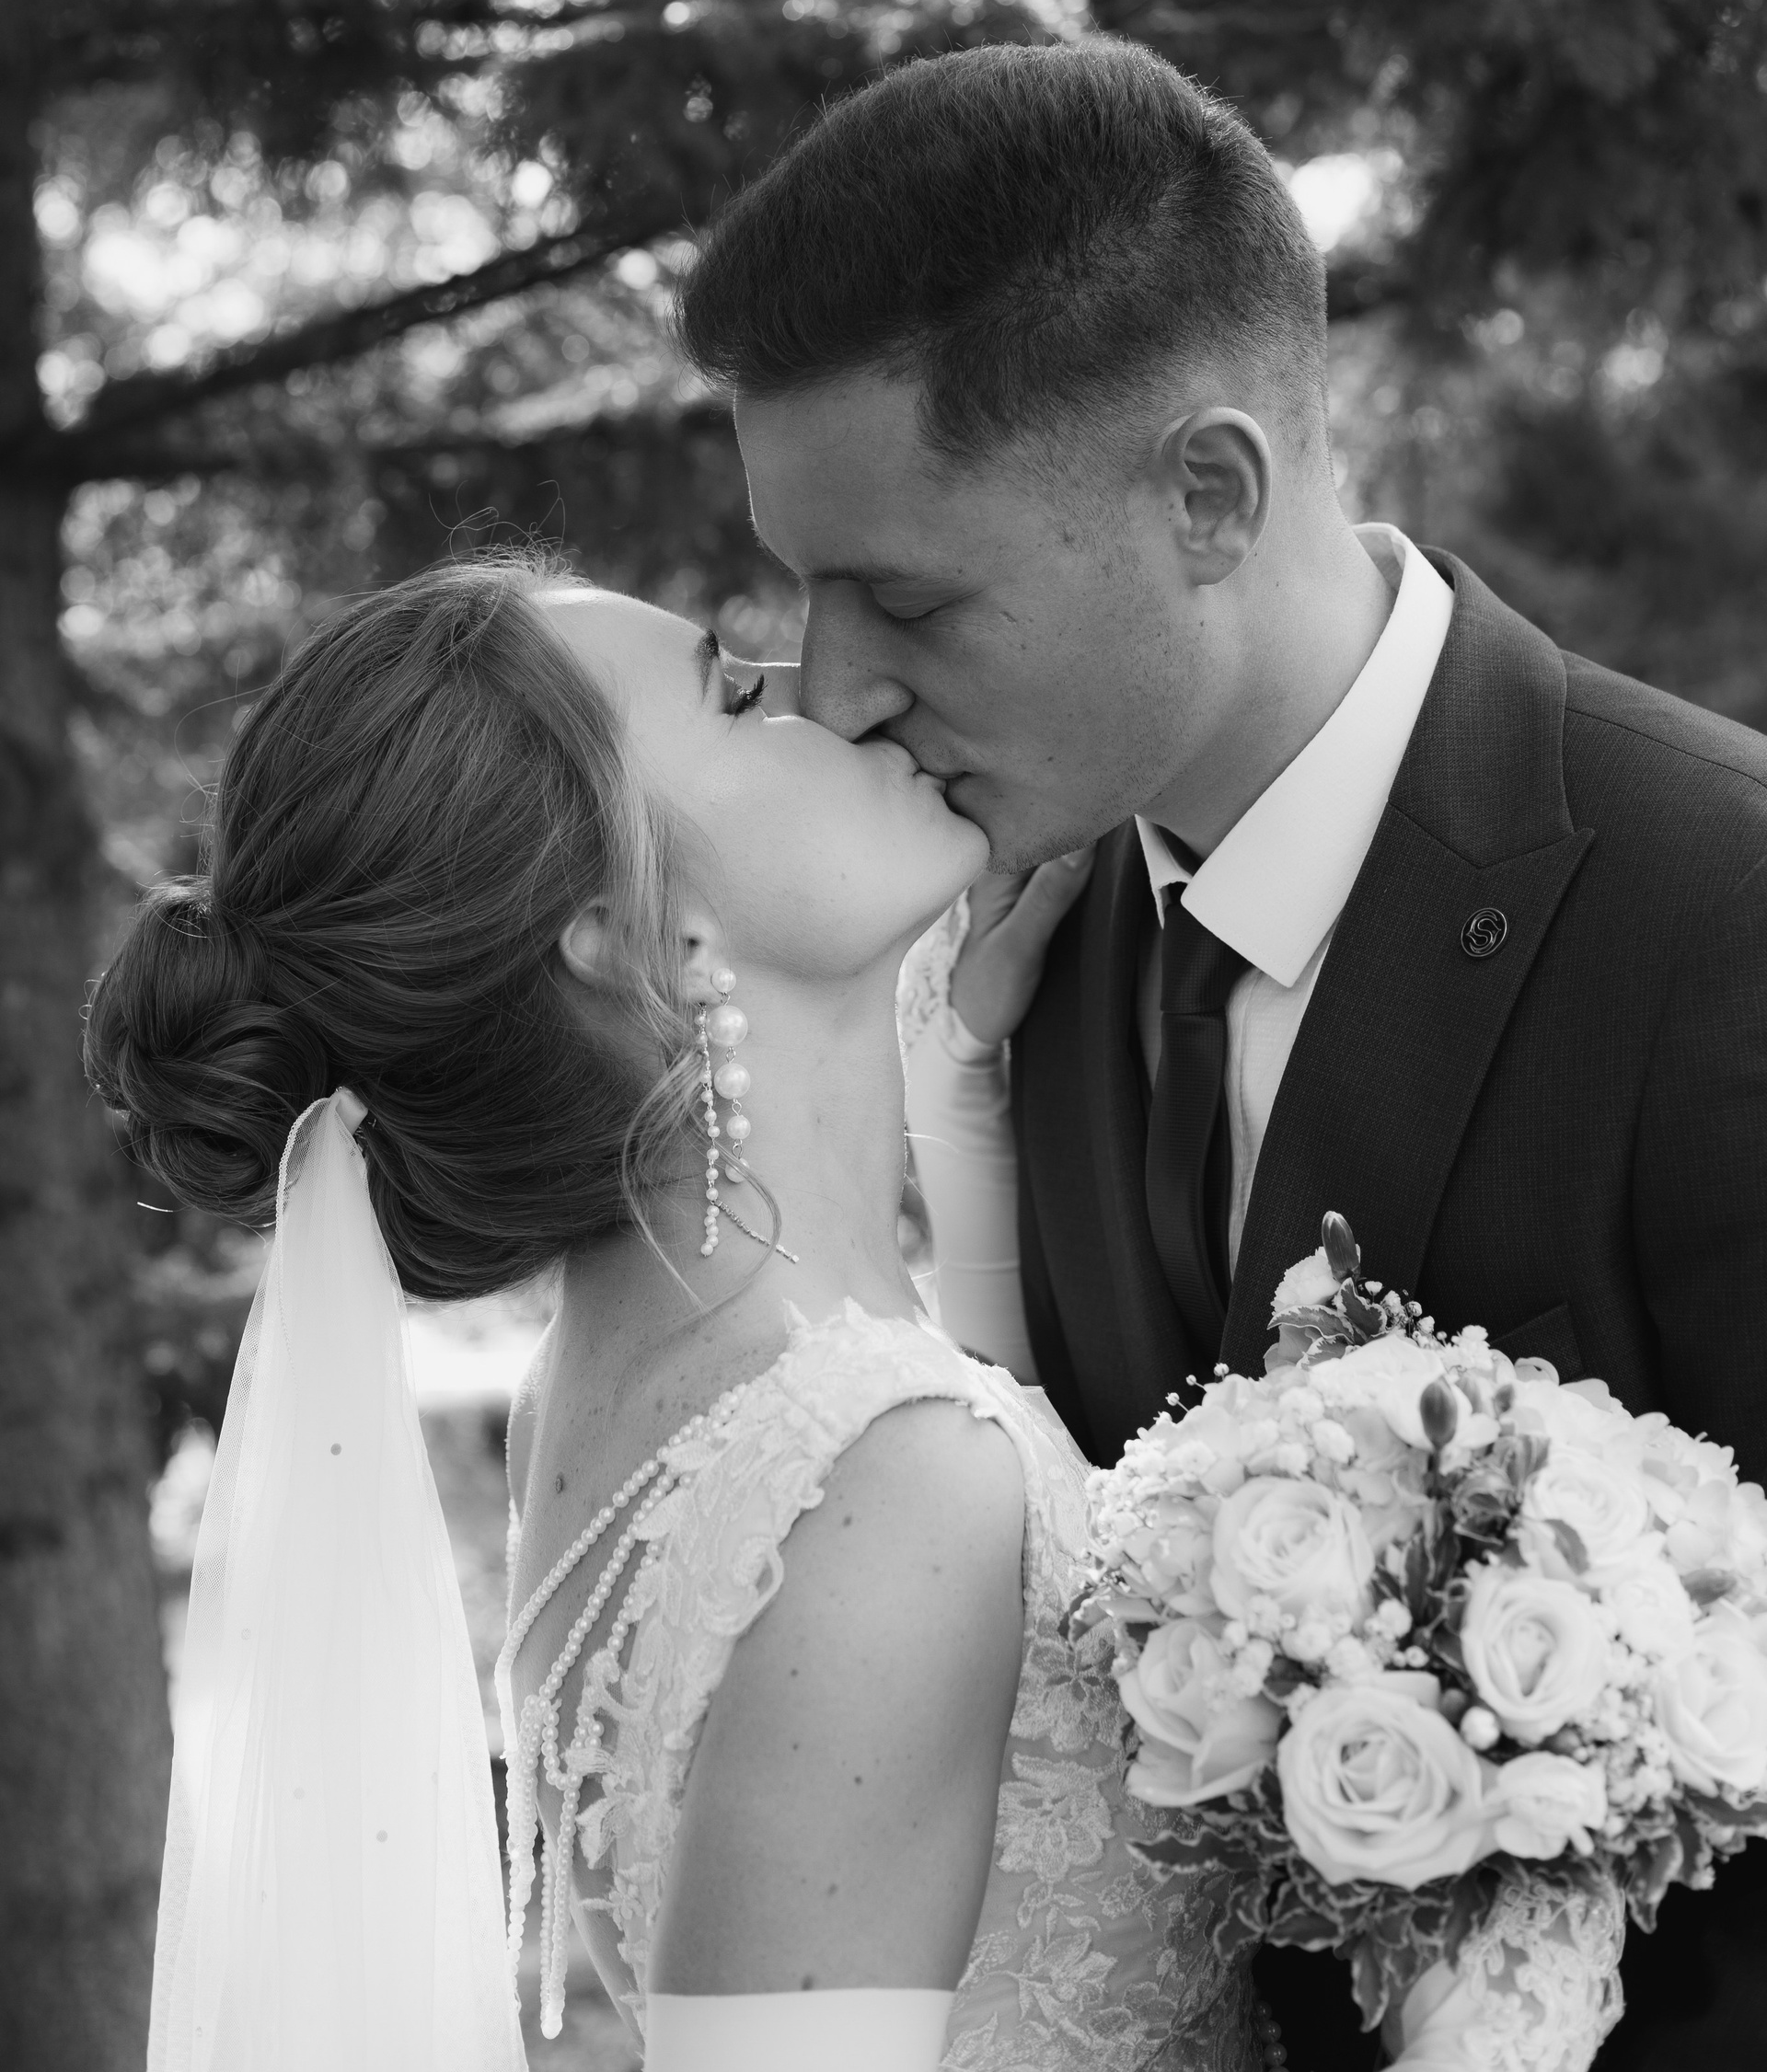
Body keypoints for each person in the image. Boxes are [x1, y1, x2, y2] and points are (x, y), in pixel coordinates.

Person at [90, 560, 1616, 2071]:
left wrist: (956, 1078)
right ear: (620, 929)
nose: (820, 690)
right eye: (730, 695)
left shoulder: (635, 1388)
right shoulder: (883, 1477)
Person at [676, 38, 1767, 2072]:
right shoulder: (1017, 951)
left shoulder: (1723, 912)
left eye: (903, 597)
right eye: (801, 592)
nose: (833, 689)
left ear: (1209, 494)